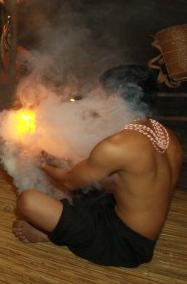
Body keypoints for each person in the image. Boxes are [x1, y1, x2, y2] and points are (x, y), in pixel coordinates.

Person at [12, 65, 183, 268]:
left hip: (124, 244)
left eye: (101, 95)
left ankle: (52, 237)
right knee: (92, 189)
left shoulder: (118, 146)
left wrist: (38, 160)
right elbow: (129, 183)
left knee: (28, 201)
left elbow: (68, 180)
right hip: (143, 232)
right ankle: (62, 230)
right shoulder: (166, 135)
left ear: (114, 99)